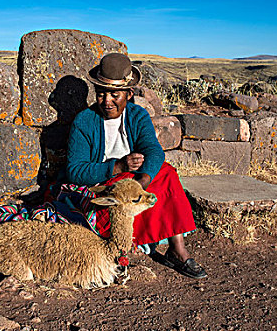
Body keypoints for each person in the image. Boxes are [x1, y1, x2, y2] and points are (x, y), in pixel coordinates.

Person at [66, 53, 207, 279]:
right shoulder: (85, 121)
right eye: (101, 94)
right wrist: (117, 167)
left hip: (134, 181)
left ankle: (177, 248)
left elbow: (153, 150)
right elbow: (75, 170)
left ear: (128, 94)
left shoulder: (137, 116)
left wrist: (143, 180)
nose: (107, 101)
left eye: (115, 94)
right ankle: (131, 242)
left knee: (167, 173)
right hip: (104, 185)